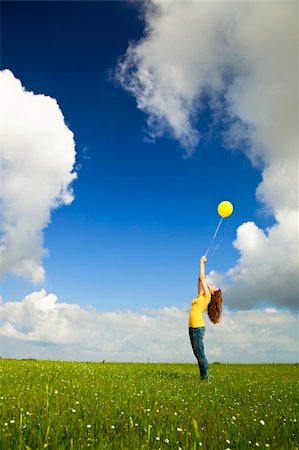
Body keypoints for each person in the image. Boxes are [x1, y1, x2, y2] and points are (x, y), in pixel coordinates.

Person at [188, 255, 222, 381]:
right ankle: (204, 377)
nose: (212, 285)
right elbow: (199, 279)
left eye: (214, 286)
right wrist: (201, 267)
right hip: (192, 327)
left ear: (213, 293)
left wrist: (202, 263)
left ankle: (206, 379)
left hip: (198, 327)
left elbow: (203, 278)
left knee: (200, 353)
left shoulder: (207, 296)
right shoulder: (201, 295)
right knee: (197, 354)